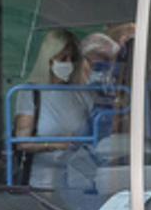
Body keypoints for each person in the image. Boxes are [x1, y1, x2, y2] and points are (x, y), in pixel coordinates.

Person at [14, 29, 94, 188]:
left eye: (73, 58)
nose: (69, 63)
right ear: (48, 60)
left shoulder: (81, 93)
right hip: (42, 185)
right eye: (63, 58)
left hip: (80, 183)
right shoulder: (30, 93)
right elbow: (21, 143)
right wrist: (56, 144)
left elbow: (96, 133)